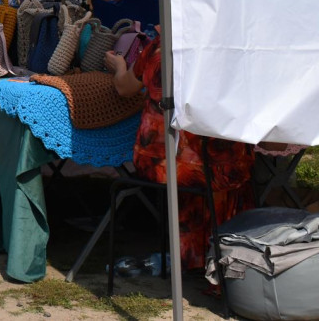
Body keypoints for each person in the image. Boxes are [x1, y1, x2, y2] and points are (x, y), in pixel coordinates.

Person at [105, 31, 254, 270]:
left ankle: (192, 255)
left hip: (158, 163)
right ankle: (223, 257)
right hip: (219, 167)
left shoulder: (161, 47)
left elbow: (124, 88)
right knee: (226, 170)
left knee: (198, 172)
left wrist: (119, 65)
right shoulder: (234, 50)